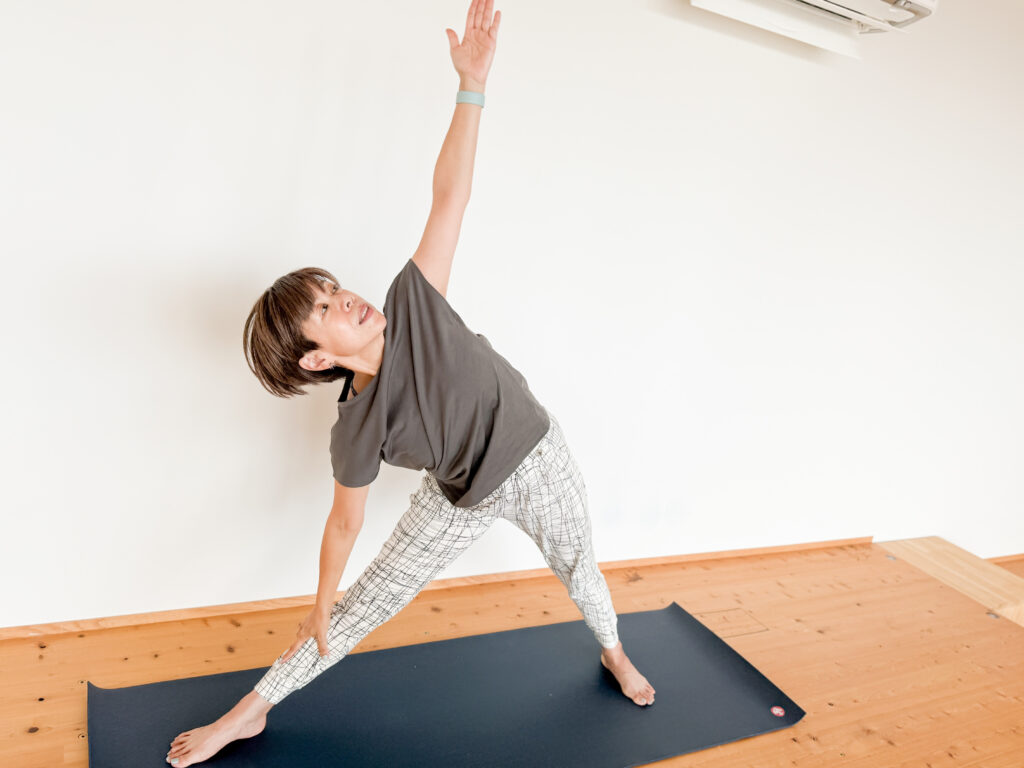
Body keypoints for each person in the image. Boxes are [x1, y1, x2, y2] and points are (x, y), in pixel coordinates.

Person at [165, 2, 653, 765]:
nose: (346, 298)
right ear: (316, 359)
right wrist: (320, 604)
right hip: (461, 494)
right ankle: (246, 714)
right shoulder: (353, 429)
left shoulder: (412, 305)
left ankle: (615, 651)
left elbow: (450, 197)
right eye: (325, 309)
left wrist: (472, 89)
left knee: (580, 571)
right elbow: (343, 527)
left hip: (537, 457)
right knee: (356, 610)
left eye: (333, 288)